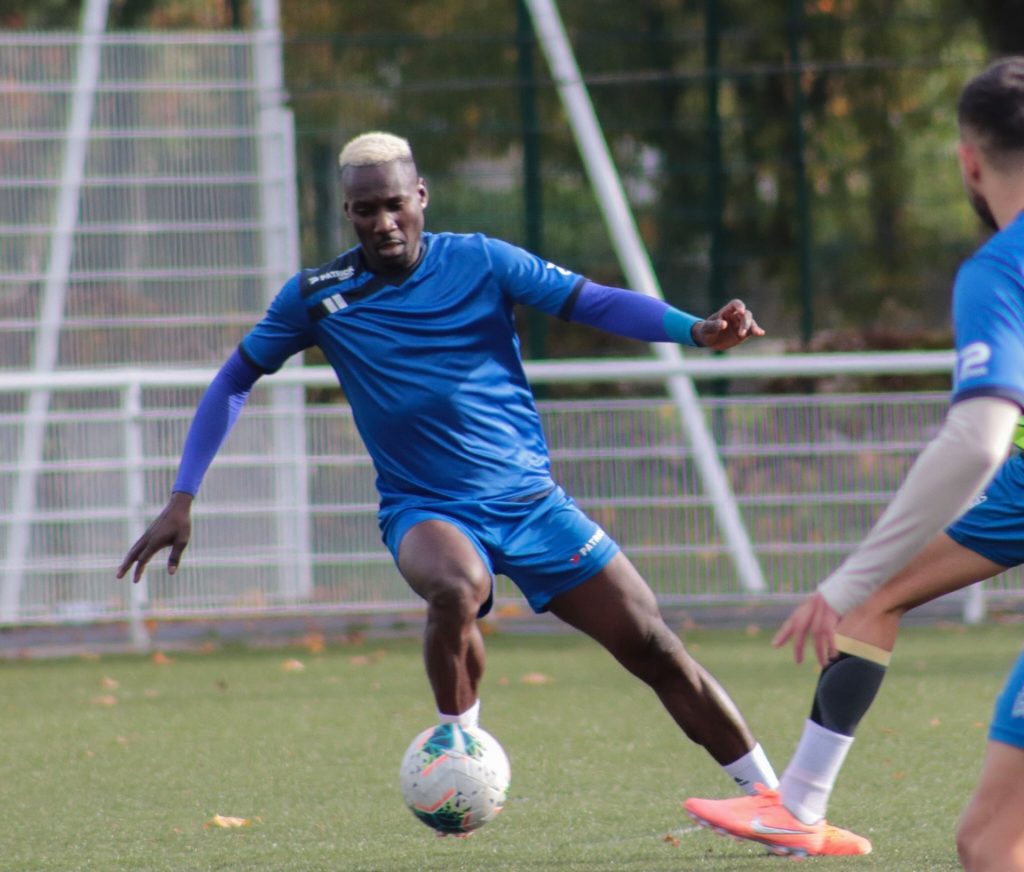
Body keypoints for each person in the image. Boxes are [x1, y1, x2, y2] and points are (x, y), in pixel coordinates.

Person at [117, 130, 807, 825]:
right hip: (425, 508)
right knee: (455, 587)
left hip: (532, 504)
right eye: (365, 210)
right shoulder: (318, 296)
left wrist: (696, 330)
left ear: (420, 196)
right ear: (347, 212)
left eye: (395, 204)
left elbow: (591, 300)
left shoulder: (481, 260)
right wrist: (183, 496)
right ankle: (459, 746)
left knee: (654, 645)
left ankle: (774, 802)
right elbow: (235, 379)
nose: (383, 222)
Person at [684, 56, 1024, 869]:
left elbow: (976, 439)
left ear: (968, 161)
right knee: (881, 595)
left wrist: (841, 581)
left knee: (990, 843)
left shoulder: (1000, 269)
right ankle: (798, 805)